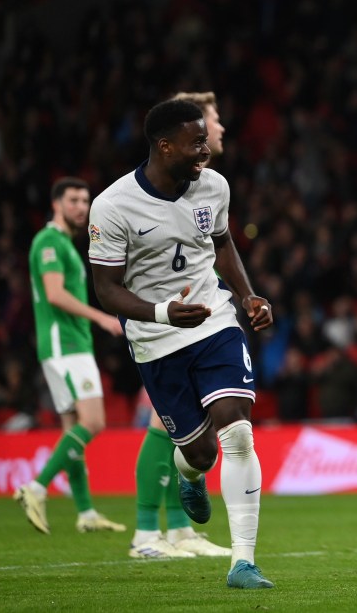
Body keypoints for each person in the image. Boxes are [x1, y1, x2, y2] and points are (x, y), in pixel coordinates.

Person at [88, 99, 274, 588]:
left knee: (237, 429)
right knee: (201, 453)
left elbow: (222, 242)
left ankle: (243, 562)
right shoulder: (111, 206)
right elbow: (105, 288)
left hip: (214, 321)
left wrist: (247, 294)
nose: (205, 150)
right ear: (163, 145)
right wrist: (161, 311)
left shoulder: (214, 186)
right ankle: (191, 477)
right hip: (156, 339)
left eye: (205, 140)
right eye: (195, 143)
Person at [128, 91, 231, 559]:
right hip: (162, 328)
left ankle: (179, 532)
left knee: (186, 440)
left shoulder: (210, 189)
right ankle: (147, 532)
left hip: (202, 321)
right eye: (211, 122)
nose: (217, 132)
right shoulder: (137, 198)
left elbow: (220, 243)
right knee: (166, 430)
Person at [14, 177, 127, 535]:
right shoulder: (49, 242)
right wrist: (102, 318)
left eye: (85, 200)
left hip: (66, 346)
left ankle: (86, 513)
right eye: (74, 200)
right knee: (93, 422)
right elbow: (54, 294)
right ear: (56, 204)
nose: (81, 206)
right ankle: (35, 488)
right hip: (66, 346)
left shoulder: (62, 243)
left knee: (72, 431)